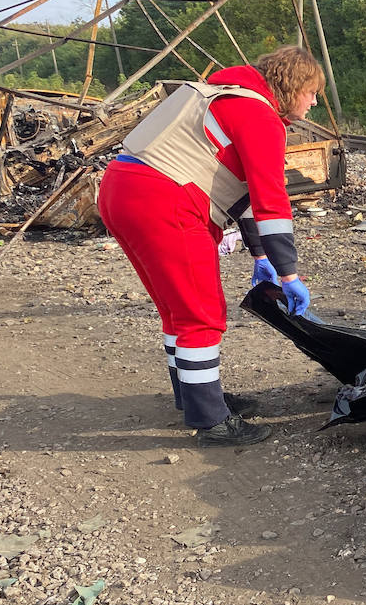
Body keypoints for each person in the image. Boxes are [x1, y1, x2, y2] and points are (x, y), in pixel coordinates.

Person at [97, 46, 323, 447]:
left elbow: (245, 195)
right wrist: (289, 273)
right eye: (311, 91)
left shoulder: (221, 95)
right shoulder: (259, 116)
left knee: (176, 308)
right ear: (291, 87)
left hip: (121, 188)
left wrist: (259, 255)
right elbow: (272, 203)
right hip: (164, 200)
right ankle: (212, 422)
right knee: (201, 313)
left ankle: (196, 397)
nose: (315, 100)